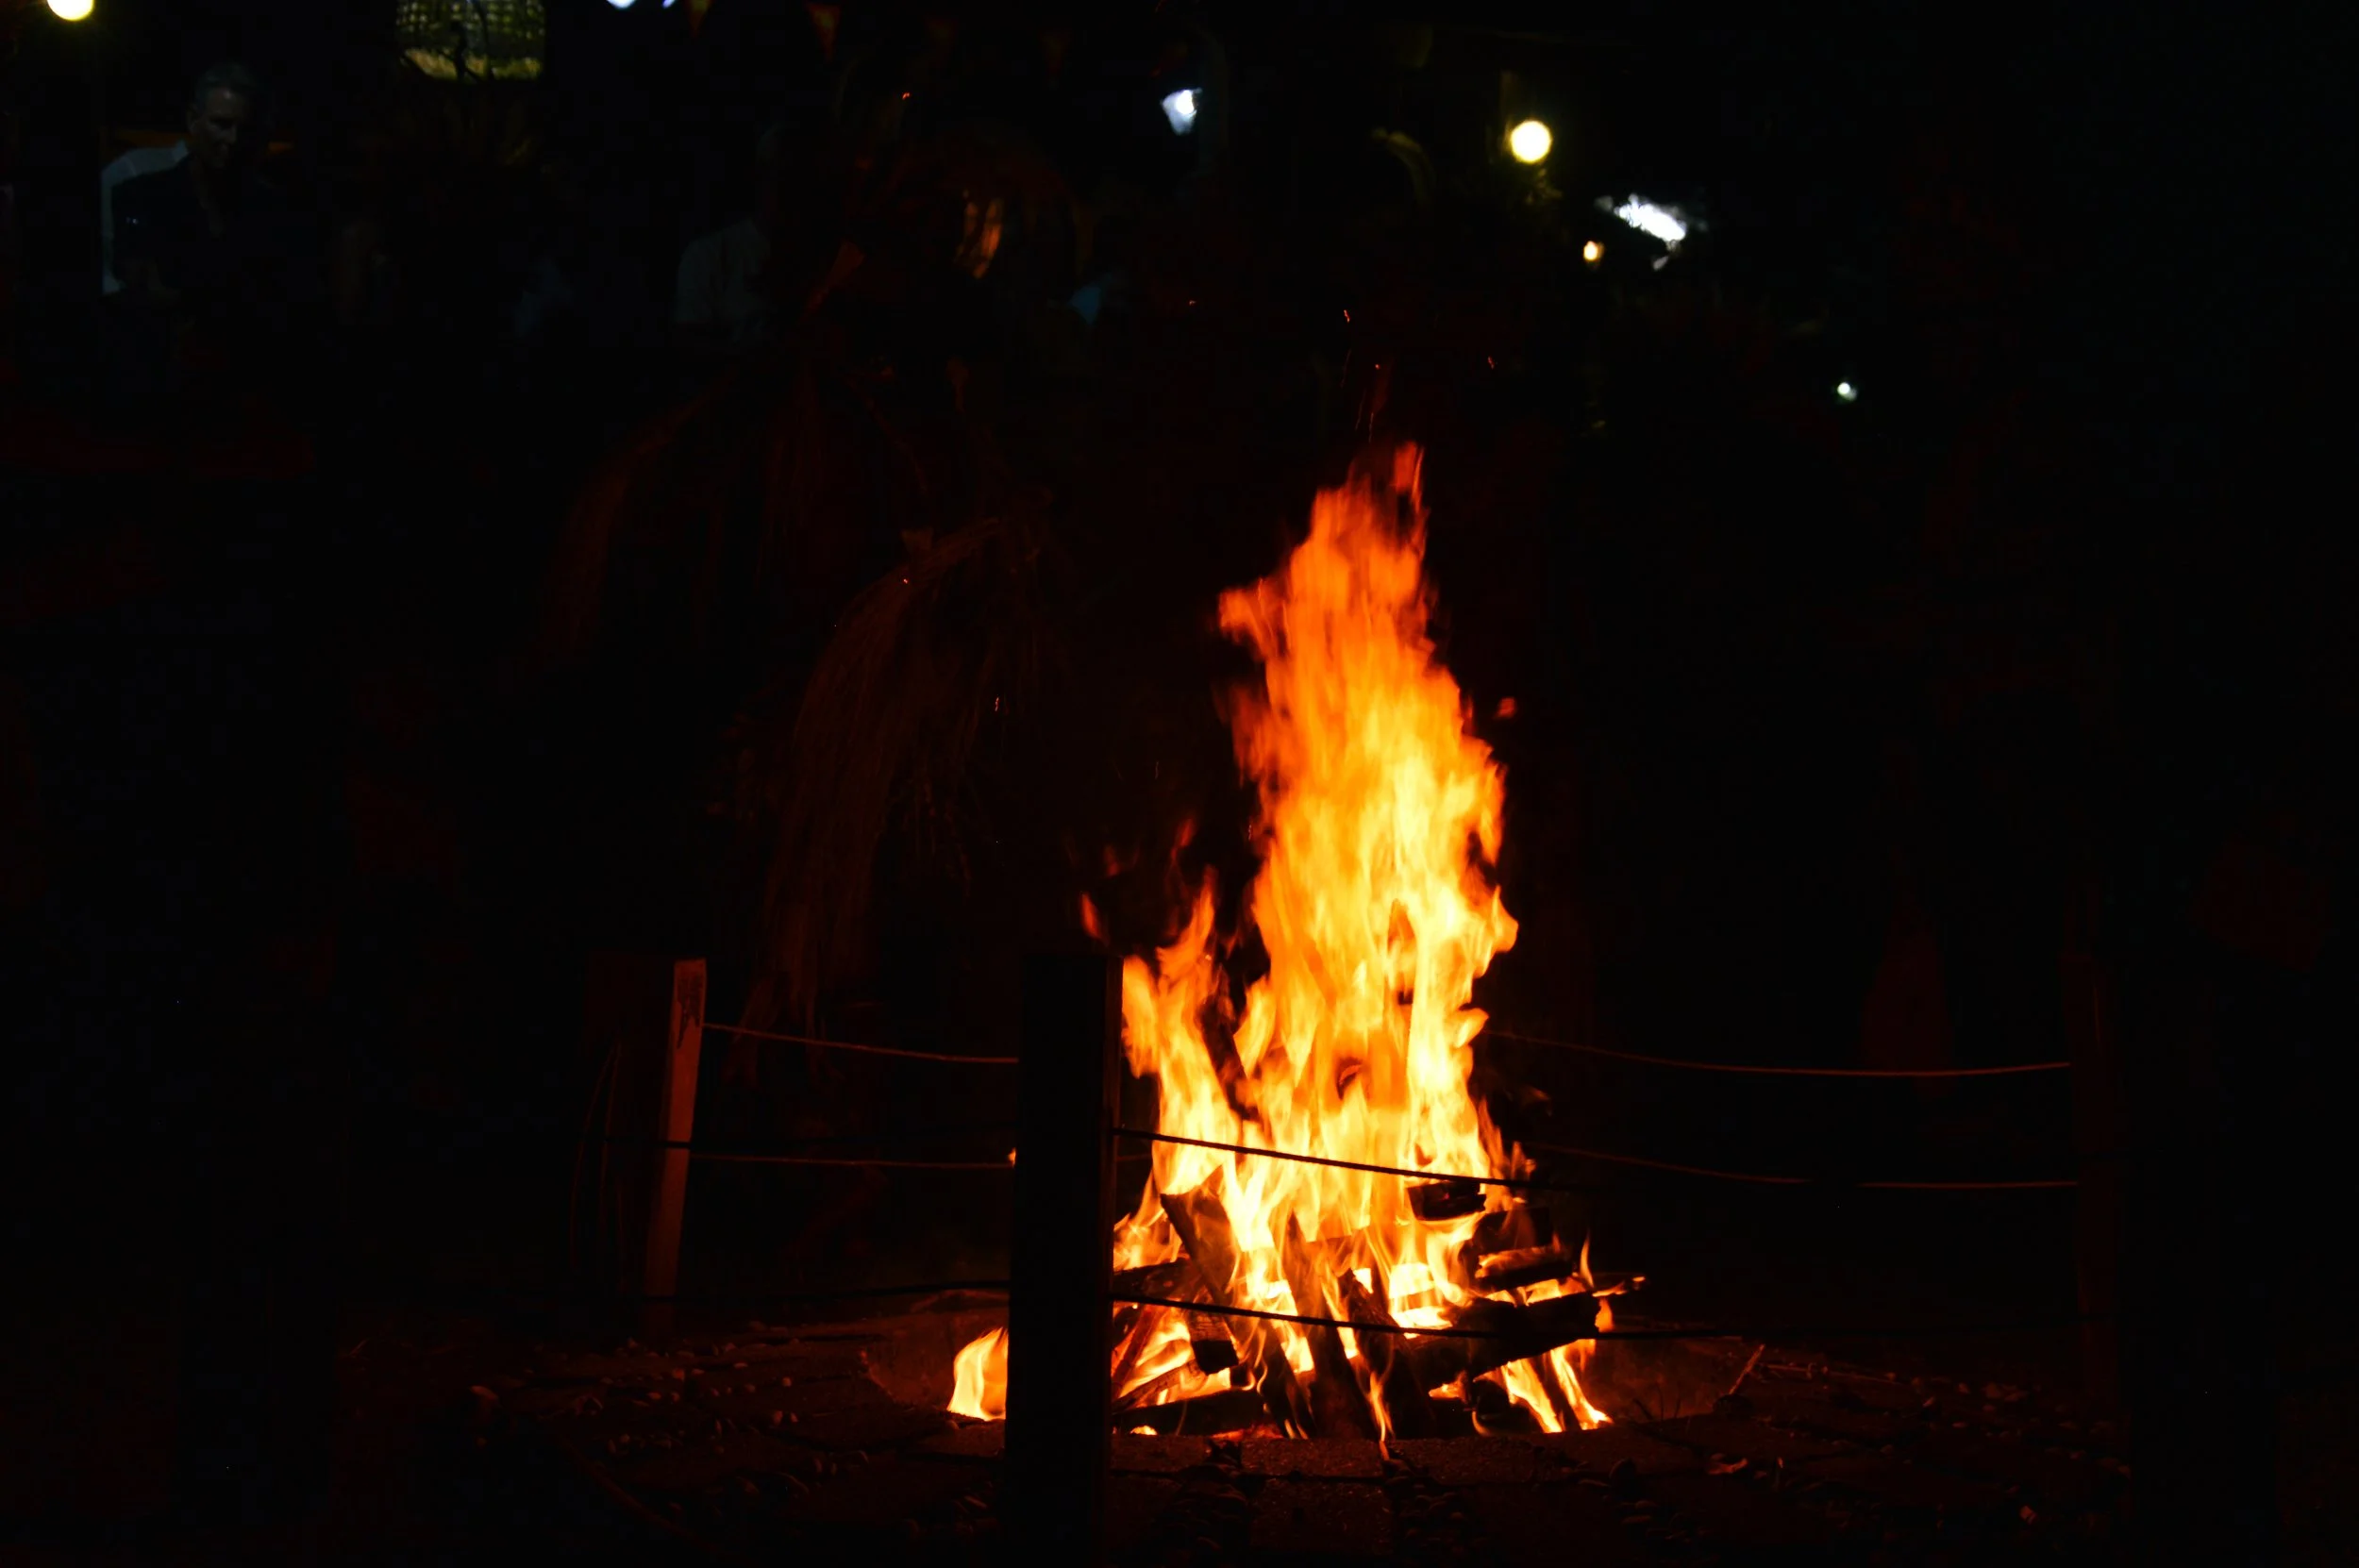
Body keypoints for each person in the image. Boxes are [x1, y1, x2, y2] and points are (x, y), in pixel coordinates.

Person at [111, 62, 313, 418]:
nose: (232, 140)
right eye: (222, 124)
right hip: (159, 395)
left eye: (244, 129)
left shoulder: (275, 210)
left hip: (245, 397)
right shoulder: (142, 197)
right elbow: (142, 296)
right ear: (194, 120)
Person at [674, 124, 810, 353]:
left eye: (799, 181)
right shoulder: (709, 255)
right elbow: (688, 346)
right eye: (781, 178)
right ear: (759, 181)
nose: (791, 193)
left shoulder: (814, 253)